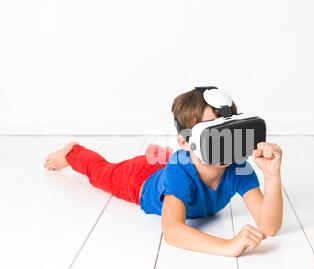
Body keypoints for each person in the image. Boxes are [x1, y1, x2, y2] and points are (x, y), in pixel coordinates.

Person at [44, 88, 283, 257]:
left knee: (177, 161)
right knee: (101, 173)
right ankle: (72, 152)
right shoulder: (180, 173)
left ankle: (162, 153)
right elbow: (172, 230)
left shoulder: (239, 168)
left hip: (179, 161)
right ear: (186, 141)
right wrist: (227, 246)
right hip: (139, 179)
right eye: (214, 135)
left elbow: (269, 227)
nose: (226, 144)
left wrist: (271, 176)